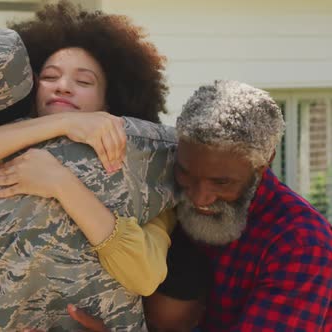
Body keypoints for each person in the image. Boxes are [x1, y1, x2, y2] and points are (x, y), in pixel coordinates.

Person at [0, 6, 177, 332]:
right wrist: (69, 121)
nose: (63, 86)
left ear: (110, 106)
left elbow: (146, 275)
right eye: (50, 77)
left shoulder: (135, 158)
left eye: (83, 80)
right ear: (30, 86)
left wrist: (61, 182)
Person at [64, 80, 332, 331]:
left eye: (222, 183)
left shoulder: (303, 244)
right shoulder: (161, 189)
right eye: (186, 173)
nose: (199, 197)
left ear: (263, 165)